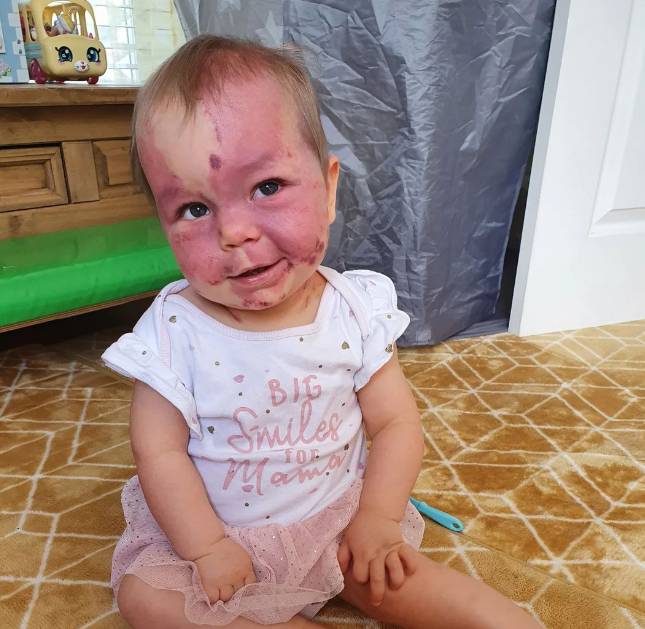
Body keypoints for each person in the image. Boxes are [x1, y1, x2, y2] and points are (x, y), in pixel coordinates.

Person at [102, 34, 542, 629]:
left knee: (404, 577)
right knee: (146, 600)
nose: (233, 231)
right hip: (215, 537)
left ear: (330, 188)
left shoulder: (354, 310)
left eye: (267, 187)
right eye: (194, 210)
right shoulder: (174, 330)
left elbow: (393, 423)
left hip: (335, 523)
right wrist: (205, 547)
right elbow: (158, 452)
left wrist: (379, 520)